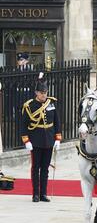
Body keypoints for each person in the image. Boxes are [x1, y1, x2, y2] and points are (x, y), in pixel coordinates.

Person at [21, 73, 61, 202]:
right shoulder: (29, 106)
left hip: (49, 139)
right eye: (41, 93)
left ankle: (43, 193)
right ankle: (35, 194)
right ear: (36, 93)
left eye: (45, 92)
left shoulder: (51, 103)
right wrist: (26, 140)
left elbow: (57, 122)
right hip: (35, 140)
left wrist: (58, 139)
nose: (44, 95)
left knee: (45, 168)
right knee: (35, 168)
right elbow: (23, 125)